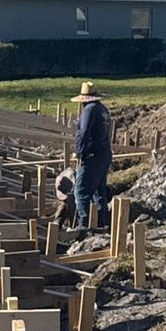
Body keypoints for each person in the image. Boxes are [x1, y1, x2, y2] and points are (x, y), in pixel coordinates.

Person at [71, 81, 113, 230]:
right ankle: (102, 222)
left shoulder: (89, 110)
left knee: (80, 191)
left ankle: (84, 225)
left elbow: (83, 132)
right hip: (104, 154)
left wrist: (80, 152)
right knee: (99, 191)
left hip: (92, 156)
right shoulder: (103, 109)